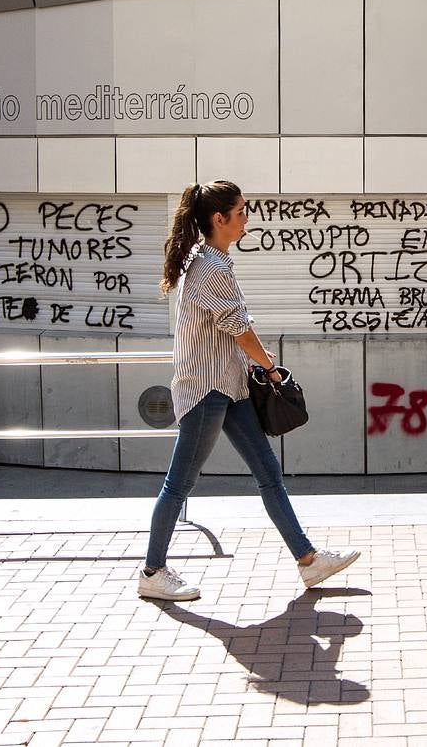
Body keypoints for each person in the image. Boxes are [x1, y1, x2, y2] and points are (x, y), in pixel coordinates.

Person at [139, 180, 359, 602]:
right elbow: (239, 329)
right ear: (218, 219)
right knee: (178, 485)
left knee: (268, 474)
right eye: (240, 212)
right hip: (206, 392)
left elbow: (231, 330)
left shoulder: (209, 259)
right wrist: (271, 368)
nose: (246, 218)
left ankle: (309, 561)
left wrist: (254, 367)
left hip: (230, 388)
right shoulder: (210, 270)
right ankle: (152, 571)